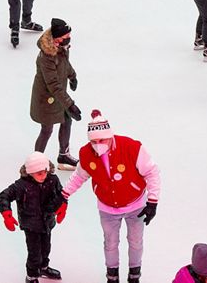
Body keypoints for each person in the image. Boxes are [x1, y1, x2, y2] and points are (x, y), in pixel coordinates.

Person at [61, 110, 161, 283]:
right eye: (93, 141)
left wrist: (152, 201)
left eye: (102, 140)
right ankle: (112, 276)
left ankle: (134, 275)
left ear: (110, 135)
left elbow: (151, 172)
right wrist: (64, 194)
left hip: (135, 206)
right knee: (110, 244)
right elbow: (79, 176)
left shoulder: (131, 147)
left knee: (136, 242)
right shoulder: (86, 153)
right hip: (107, 208)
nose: (98, 145)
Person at [0, 152, 68, 283]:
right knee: (34, 253)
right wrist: (6, 214)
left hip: (47, 221)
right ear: (30, 172)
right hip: (31, 225)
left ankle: (43, 268)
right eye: (38, 173)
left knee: (46, 247)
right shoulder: (21, 186)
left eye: (45, 172)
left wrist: (63, 205)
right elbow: (4, 196)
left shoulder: (53, 180)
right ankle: (31, 276)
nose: (43, 176)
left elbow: (61, 194)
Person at [31, 18, 81, 168]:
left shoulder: (61, 47)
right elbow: (53, 85)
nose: (68, 39)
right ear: (56, 38)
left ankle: (63, 155)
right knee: (47, 129)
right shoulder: (46, 56)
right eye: (65, 37)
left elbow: (65, 63)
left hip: (59, 95)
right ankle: (36, 162)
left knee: (67, 120)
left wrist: (72, 76)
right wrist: (70, 104)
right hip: (46, 98)